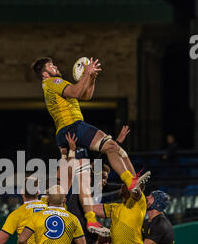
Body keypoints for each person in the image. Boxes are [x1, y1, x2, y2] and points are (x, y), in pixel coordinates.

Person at [31, 57, 150, 233]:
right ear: (44, 73)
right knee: (111, 146)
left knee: (83, 179)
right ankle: (130, 181)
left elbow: (86, 95)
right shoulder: (53, 81)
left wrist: (91, 77)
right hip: (73, 126)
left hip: (64, 133)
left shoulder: (51, 86)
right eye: (51, 65)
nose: (56, 66)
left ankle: (91, 221)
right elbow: (78, 92)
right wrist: (86, 74)